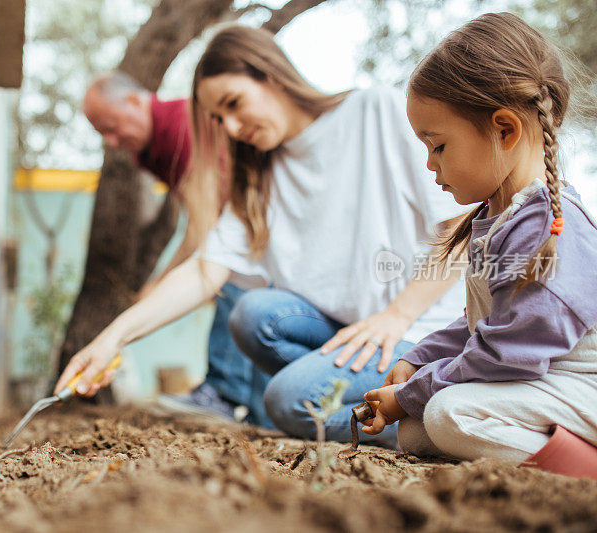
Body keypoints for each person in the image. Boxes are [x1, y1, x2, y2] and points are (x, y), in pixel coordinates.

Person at [58, 25, 467, 445]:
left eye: (234, 104)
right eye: (219, 118)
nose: (231, 128)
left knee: (289, 400)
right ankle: (392, 404)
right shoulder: (259, 176)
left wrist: (395, 315)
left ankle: (433, 421)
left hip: (419, 329)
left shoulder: (373, 111)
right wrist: (111, 340)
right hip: (354, 333)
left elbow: (459, 226)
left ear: (270, 75)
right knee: (253, 315)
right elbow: (204, 272)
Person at [362, 12, 597, 478]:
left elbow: (509, 351)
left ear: (504, 130)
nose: (430, 164)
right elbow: (484, 323)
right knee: (417, 431)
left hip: (581, 389)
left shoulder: (551, 225)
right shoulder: (501, 215)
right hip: (542, 382)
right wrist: (419, 358)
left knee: (447, 414)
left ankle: (584, 469)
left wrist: (412, 393)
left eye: (438, 145)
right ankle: (549, 456)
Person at [82, 72, 270, 424]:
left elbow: (214, 231)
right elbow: (201, 225)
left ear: (136, 102)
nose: (111, 141)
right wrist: (162, 282)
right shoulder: (154, 151)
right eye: (102, 134)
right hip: (238, 233)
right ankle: (259, 409)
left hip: (255, 229)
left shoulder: (181, 127)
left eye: (112, 126)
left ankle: (224, 392)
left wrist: (164, 280)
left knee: (233, 280)